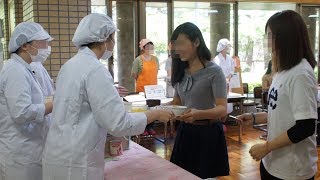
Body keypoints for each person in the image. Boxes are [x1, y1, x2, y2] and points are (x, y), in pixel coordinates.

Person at [42, 13, 173, 180]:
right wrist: (153, 114)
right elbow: (119, 124)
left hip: (57, 154)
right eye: (113, 38)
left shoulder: (69, 65)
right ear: (105, 39)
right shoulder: (95, 70)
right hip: (77, 164)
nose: (113, 43)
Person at [238, 10, 317, 180]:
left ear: (285, 38)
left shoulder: (301, 73)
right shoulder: (282, 71)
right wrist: (253, 117)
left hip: (292, 171)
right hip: (272, 163)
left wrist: (267, 147)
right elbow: (281, 114)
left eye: (270, 36)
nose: (266, 41)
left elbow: (305, 126)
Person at [169, 22, 229, 179]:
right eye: (175, 44)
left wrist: (198, 114)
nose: (177, 48)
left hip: (208, 135)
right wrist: (156, 110)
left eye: (181, 43)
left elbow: (222, 109)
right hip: (185, 132)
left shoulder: (214, 71)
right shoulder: (181, 70)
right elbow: (177, 101)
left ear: (196, 42)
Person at [0, 22, 53, 180]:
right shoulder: (14, 70)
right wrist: (53, 105)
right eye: (42, 42)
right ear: (25, 45)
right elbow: (21, 113)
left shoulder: (27, 68)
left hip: (31, 148)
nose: (47, 47)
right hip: (20, 153)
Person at [131, 38, 160, 136]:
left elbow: (156, 72)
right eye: (148, 47)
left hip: (153, 90)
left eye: (152, 47)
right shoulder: (138, 60)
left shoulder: (155, 59)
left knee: (152, 108)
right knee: (143, 109)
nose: (150, 49)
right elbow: (134, 74)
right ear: (143, 48)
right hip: (142, 89)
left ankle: (151, 127)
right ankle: (143, 128)